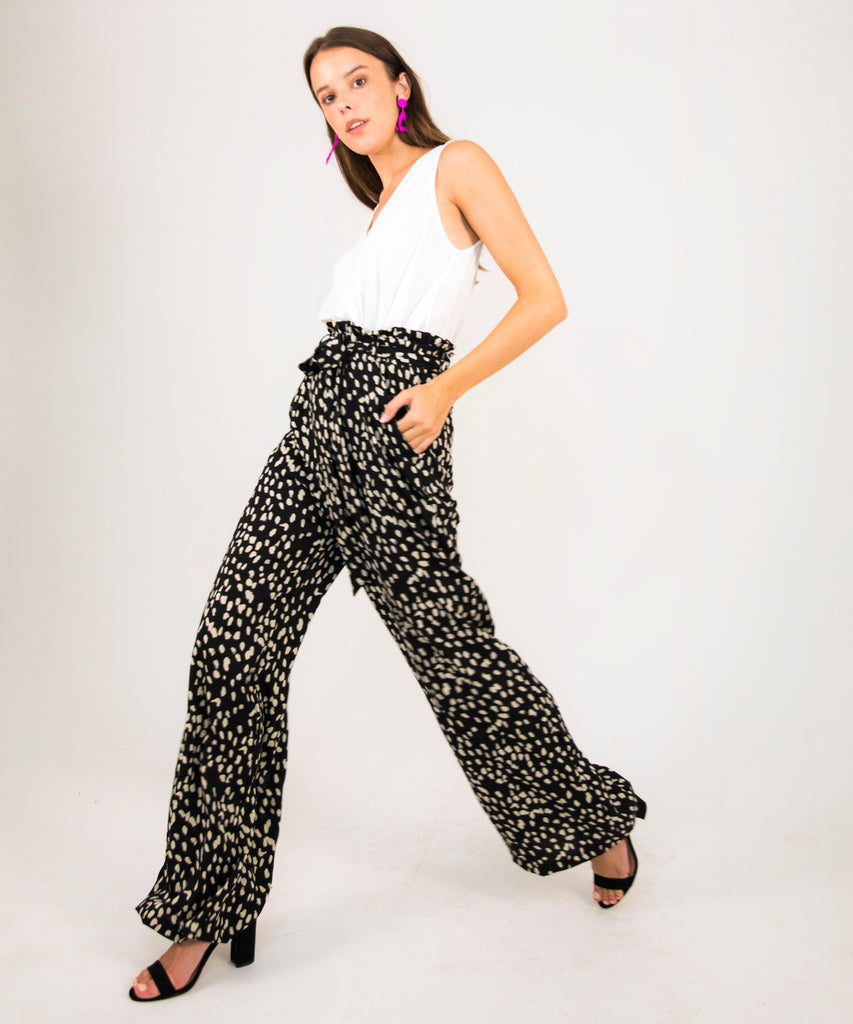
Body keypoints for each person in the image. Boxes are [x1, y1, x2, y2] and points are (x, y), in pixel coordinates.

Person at [128, 25, 647, 1003]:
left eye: (357, 82)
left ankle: (592, 821)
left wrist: (443, 390)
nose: (345, 104)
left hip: (392, 429)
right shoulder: (375, 210)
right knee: (231, 646)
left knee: (455, 658)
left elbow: (543, 298)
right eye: (326, 97)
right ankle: (207, 905)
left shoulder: (457, 165)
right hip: (314, 429)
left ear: (400, 85)